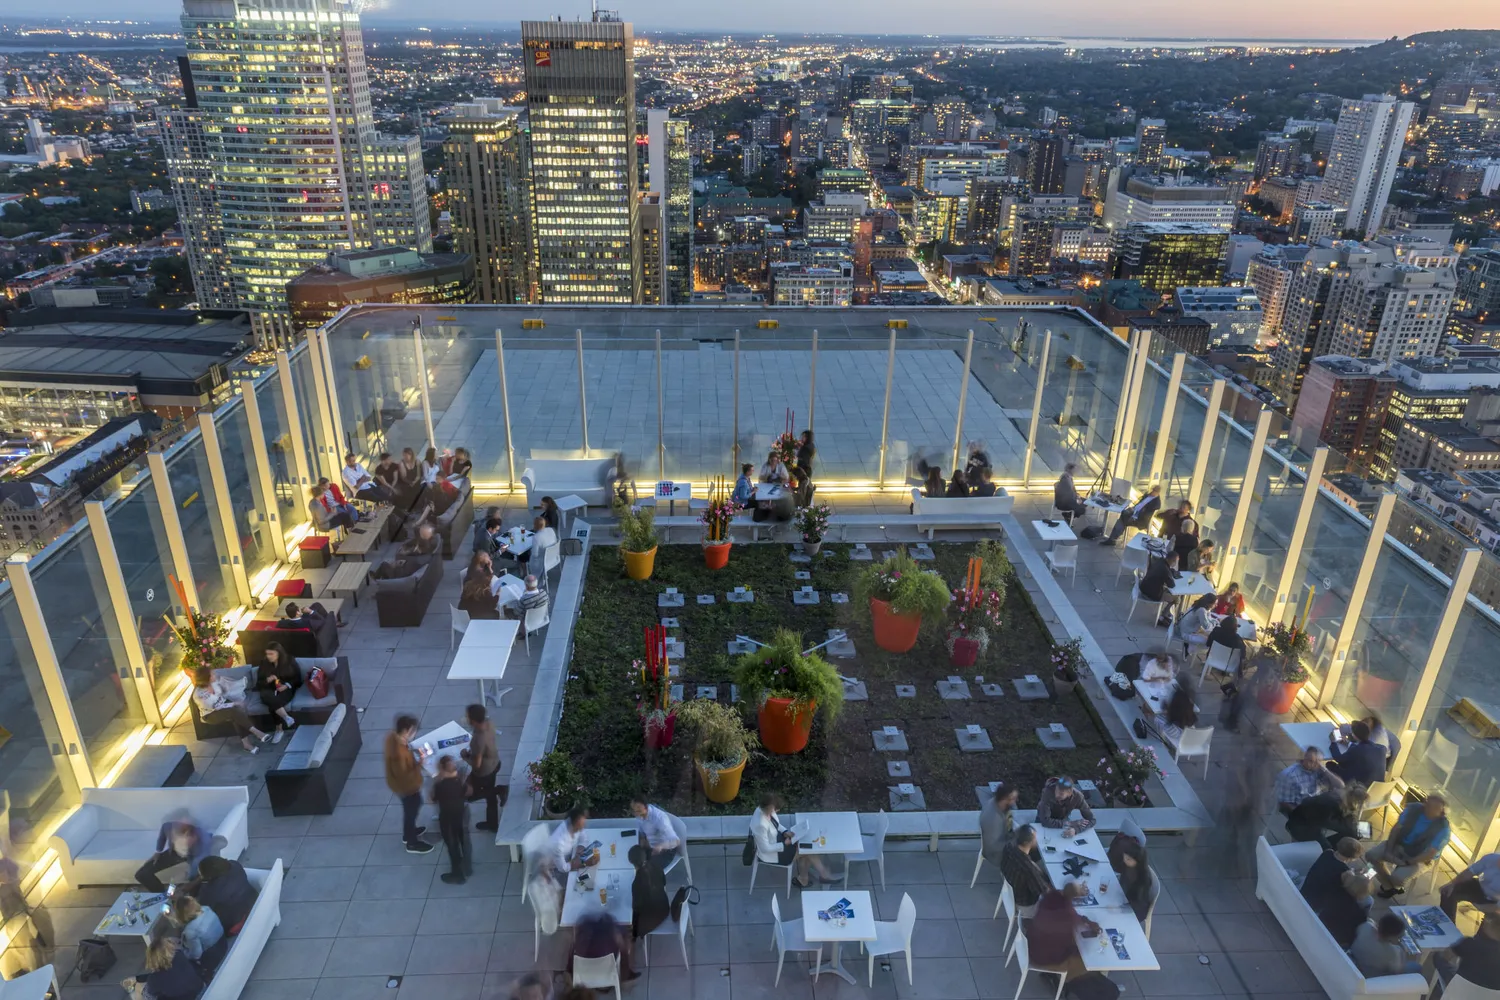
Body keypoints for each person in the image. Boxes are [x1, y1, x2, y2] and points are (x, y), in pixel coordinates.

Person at [1370, 794, 1450, 898]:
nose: (1428, 808)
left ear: (1441, 812)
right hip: (1400, 845)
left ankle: (1394, 885)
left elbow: (1430, 854)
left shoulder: (1443, 828)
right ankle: (1388, 887)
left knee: (1398, 878)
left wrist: (1407, 862)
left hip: (1420, 858)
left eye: (1434, 808)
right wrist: (1389, 851)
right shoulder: (1413, 809)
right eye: (1428, 804)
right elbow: (1396, 829)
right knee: (1371, 856)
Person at [1299, 837, 1374, 946]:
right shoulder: (1345, 873)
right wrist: (1366, 876)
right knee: (1368, 900)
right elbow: (1355, 887)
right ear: (1352, 857)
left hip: (1307, 890)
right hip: (1317, 903)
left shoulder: (1327, 853)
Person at [751, 792, 835, 887]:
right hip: (772, 854)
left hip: (777, 841)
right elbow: (765, 849)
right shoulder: (760, 825)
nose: (777, 811)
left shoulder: (761, 809)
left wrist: (785, 832)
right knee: (807, 850)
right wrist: (785, 844)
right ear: (769, 807)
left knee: (806, 849)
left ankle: (804, 879)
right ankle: (823, 875)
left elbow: (775, 824)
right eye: (775, 809)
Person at [1025, 883, 1098, 979]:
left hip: (1031, 944)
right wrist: (1089, 924)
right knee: (1085, 961)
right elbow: (1069, 940)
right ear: (1075, 897)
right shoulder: (1067, 915)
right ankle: (1062, 981)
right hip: (1042, 958)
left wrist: (1086, 921)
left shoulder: (1050, 897)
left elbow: (1074, 918)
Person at [191, 666, 270, 754]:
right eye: (212, 674)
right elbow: (216, 707)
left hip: (222, 704)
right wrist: (235, 703)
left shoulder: (214, 682)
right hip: (210, 714)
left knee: (237, 712)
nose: (215, 675)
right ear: (207, 678)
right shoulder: (200, 695)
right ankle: (257, 732)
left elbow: (224, 691)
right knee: (233, 711)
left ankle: (247, 745)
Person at [384, 715, 434, 855]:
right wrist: (420, 762)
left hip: (398, 785)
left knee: (411, 809)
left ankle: (408, 833)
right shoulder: (398, 755)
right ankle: (411, 842)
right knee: (412, 809)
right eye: (413, 731)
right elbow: (404, 774)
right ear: (406, 731)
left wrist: (412, 750)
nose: (414, 733)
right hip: (406, 787)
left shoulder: (392, 737)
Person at [135, 815, 211, 894]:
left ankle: (192, 899)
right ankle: (162, 894)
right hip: (174, 853)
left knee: (193, 882)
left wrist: (193, 872)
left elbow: (203, 853)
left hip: (193, 855)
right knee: (141, 874)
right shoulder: (167, 827)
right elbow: (162, 838)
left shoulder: (199, 833)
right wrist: (158, 851)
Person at [460, 704, 504, 833]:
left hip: (484, 772)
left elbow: (477, 765)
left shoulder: (478, 739)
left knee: (470, 795)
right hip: (495, 763)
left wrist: (465, 757)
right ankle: (492, 823)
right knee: (490, 798)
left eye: (467, 717)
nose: (465, 718)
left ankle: (499, 790)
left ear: (472, 720)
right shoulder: (489, 724)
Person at [1286, 782, 1368, 851]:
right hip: (1301, 827)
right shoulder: (1333, 804)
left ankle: (1330, 845)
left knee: (1362, 831)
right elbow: (1333, 824)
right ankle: (1323, 850)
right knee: (1328, 849)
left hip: (1311, 821)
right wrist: (1352, 821)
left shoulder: (1339, 795)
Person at [122, 933, 203, 1000]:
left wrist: (139, 984)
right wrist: (137, 978)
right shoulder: (179, 955)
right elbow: (165, 976)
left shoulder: (154, 979)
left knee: (139, 988)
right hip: (200, 990)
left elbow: (154, 987)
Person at [432, 755, 473, 885]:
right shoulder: (459, 781)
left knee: (452, 845)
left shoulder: (440, 785)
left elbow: (432, 798)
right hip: (461, 815)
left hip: (448, 818)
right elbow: (469, 792)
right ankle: (468, 867)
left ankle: (457, 874)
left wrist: (438, 778)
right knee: (465, 842)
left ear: (442, 769)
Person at [189, 857, 258, 933]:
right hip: (251, 899)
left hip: (233, 922)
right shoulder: (235, 865)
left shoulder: (210, 891)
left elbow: (199, 905)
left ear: (209, 877)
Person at [573, 910, 640, 983]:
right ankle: (626, 975)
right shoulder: (611, 941)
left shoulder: (582, 942)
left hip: (585, 975)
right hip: (608, 974)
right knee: (625, 942)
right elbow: (623, 951)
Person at [1275, 747, 1346, 815]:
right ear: (1304, 758)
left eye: (1317, 762)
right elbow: (1285, 803)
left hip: (1316, 806)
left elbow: (1340, 785)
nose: (1314, 765)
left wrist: (1324, 769)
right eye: (1311, 761)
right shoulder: (1289, 775)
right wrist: (1305, 816)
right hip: (1301, 810)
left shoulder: (1318, 770)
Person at [1000, 824, 1053, 913]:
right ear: (1027, 843)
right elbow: (1044, 891)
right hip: (1025, 904)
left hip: (1010, 891)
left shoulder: (1008, 847)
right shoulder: (1028, 869)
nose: (1036, 840)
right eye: (1034, 838)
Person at [1439, 914, 1500, 990]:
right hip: (1489, 996)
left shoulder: (1471, 943)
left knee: (1438, 958)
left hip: (1460, 989)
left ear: (1488, 926)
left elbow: (1446, 955)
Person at [1352, 914, 1422, 978]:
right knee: (1416, 967)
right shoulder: (1392, 952)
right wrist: (1402, 952)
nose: (1399, 939)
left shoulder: (1366, 926)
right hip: (1372, 976)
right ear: (1391, 937)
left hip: (1356, 963)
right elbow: (1398, 971)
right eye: (1399, 937)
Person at [255, 642, 300, 737]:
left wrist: (286, 686)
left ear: (278, 653)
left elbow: (297, 678)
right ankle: (286, 717)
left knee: (273, 704)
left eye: (271, 654)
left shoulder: (289, 660)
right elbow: (259, 683)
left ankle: (279, 729)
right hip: (269, 689)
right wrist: (267, 680)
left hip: (285, 688)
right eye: (267, 654)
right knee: (267, 696)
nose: (268, 656)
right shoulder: (264, 663)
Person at [165, 892, 223, 962]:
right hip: (222, 943)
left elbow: (196, 955)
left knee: (175, 954)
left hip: (214, 957)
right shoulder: (206, 909)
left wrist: (180, 949)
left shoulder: (190, 931)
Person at [1442, 852, 1500, 923]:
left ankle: (1482, 933)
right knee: (1448, 891)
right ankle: (1448, 925)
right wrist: (1452, 884)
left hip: (1495, 902)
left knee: (1493, 925)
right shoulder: (1492, 858)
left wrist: (1481, 907)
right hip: (1480, 888)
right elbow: (1470, 872)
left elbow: (1497, 908)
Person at [630, 843, 671, 939]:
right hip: (664, 908)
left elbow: (636, 907)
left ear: (632, 862)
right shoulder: (656, 866)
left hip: (652, 921)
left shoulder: (636, 883)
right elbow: (664, 883)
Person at [1327, 721, 1387, 787]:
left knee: (1330, 765)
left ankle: (1334, 789)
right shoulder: (1382, 748)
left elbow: (1339, 758)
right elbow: (1362, 748)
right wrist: (1348, 743)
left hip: (1360, 785)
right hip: (1377, 786)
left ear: (1354, 735)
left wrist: (1333, 743)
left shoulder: (1356, 750)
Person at [630, 796, 680, 872]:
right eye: (634, 810)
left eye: (638, 810)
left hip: (665, 850)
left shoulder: (659, 818)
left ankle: (649, 881)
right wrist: (642, 840)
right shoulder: (639, 816)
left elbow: (675, 841)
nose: (636, 813)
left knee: (648, 869)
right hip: (650, 846)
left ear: (646, 807)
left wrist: (660, 846)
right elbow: (642, 833)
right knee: (633, 857)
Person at [1111, 835, 1155, 921]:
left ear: (1137, 861)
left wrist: (1119, 909)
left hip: (1134, 911)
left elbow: (1137, 904)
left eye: (1128, 859)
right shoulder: (1128, 866)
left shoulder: (1142, 880)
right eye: (1125, 857)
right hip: (1123, 898)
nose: (1125, 860)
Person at [979, 782, 1020, 868]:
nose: (1016, 801)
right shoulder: (993, 819)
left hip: (1006, 839)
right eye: (1013, 798)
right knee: (1033, 852)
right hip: (997, 854)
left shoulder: (998, 803)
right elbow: (993, 847)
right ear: (1005, 799)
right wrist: (1017, 844)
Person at [549, 807, 598, 876]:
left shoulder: (574, 823)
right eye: (581, 825)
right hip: (554, 869)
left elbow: (584, 837)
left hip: (570, 856)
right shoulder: (558, 843)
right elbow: (563, 868)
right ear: (575, 822)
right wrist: (585, 863)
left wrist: (580, 848)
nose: (583, 826)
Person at [458, 555, 501, 619]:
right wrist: (497, 593)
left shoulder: (468, 584)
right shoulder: (485, 592)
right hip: (475, 620)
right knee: (496, 614)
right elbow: (492, 605)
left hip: (463, 617)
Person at [1177, 593, 1217, 658]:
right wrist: (1215, 623)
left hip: (1184, 629)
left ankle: (1190, 646)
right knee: (1209, 641)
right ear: (1209, 603)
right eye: (1215, 603)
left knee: (1206, 634)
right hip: (1185, 633)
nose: (1216, 605)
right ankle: (1189, 648)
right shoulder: (1202, 610)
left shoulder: (1198, 605)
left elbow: (1208, 619)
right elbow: (1206, 626)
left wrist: (1214, 621)